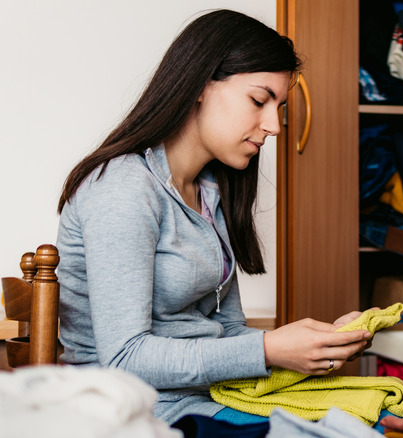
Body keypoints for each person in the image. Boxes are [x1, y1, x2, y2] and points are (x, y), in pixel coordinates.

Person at [55, 9, 371, 425]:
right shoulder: (123, 188)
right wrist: (268, 349)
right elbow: (125, 357)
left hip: (204, 399)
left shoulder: (210, 192)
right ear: (200, 86)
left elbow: (228, 332)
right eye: (259, 100)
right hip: (134, 412)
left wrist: (319, 343)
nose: (273, 126)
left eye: (278, 107)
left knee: (364, 417)